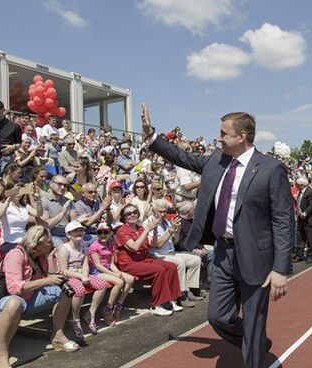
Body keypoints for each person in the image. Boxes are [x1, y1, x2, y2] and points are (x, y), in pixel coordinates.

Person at [141, 103, 294, 368]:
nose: (219, 138)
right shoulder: (216, 160)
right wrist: (152, 136)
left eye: (223, 133)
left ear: (242, 136)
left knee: (255, 322)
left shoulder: (271, 169)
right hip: (223, 253)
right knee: (218, 317)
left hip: (256, 256)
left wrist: (281, 268)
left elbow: (283, 220)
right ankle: (255, 341)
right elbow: (182, 157)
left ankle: (254, 349)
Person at [0, 226, 78, 368]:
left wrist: (50, 259)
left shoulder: (40, 256)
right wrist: (46, 281)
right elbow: (14, 288)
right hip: (4, 301)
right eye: (48, 242)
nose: (52, 243)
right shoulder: (15, 254)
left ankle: (58, 336)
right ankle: (2, 355)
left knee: (65, 291)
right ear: (36, 244)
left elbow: (46, 277)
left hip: (28, 298)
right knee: (14, 303)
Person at [114, 204, 182, 316]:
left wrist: (160, 229)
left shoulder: (140, 228)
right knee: (158, 270)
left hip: (143, 259)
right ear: (124, 217)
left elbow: (155, 244)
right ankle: (156, 305)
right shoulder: (122, 231)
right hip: (129, 263)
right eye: (128, 214)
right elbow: (134, 247)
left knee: (171, 266)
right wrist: (148, 229)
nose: (132, 215)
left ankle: (169, 301)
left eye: (135, 212)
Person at [55, 221, 110, 340]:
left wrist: (85, 275)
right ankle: (76, 319)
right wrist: (81, 277)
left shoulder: (83, 246)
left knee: (102, 284)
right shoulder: (64, 249)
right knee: (79, 290)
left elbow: (85, 265)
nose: (79, 232)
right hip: (68, 277)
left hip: (81, 275)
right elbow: (64, 270)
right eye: (75, 231)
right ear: (68, 234)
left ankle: (91, 313)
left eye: (80, 230)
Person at [145, 199, 202, 307]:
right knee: (179, 262)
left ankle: (190, 290)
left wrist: (177, 231)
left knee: (195, 260)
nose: (163, 214)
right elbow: (157, 245)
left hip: (171, 252)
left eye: (165, 211)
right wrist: (171, 230)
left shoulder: (166, 222)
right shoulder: (149, 223)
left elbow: (175, 241)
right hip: (158, 255)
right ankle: (181, 295)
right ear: (154, 211)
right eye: (160, 211)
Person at [86, 222, 134, 330]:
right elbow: (98, 266)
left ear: (111, 233)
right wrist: (115, 275)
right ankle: (107, 309)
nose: (102, 235)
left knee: (130, 279)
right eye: (99, 233)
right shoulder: (94, 246)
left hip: (107, 270)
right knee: (119, 282)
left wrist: (117, 272)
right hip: (96, 272)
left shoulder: (111, 244)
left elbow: (111, 264)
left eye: (105, 232)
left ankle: (118, 305)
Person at [294, 176, 312, 263]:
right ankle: (299, 255)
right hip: (301, 218)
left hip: (309, 219)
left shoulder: (310, 192)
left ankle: (310, 256)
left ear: (302, 185)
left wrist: (305, 213)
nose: (296, 186)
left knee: (310, 238)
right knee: (300, 237)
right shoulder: (300, 192)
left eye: (297, 184)